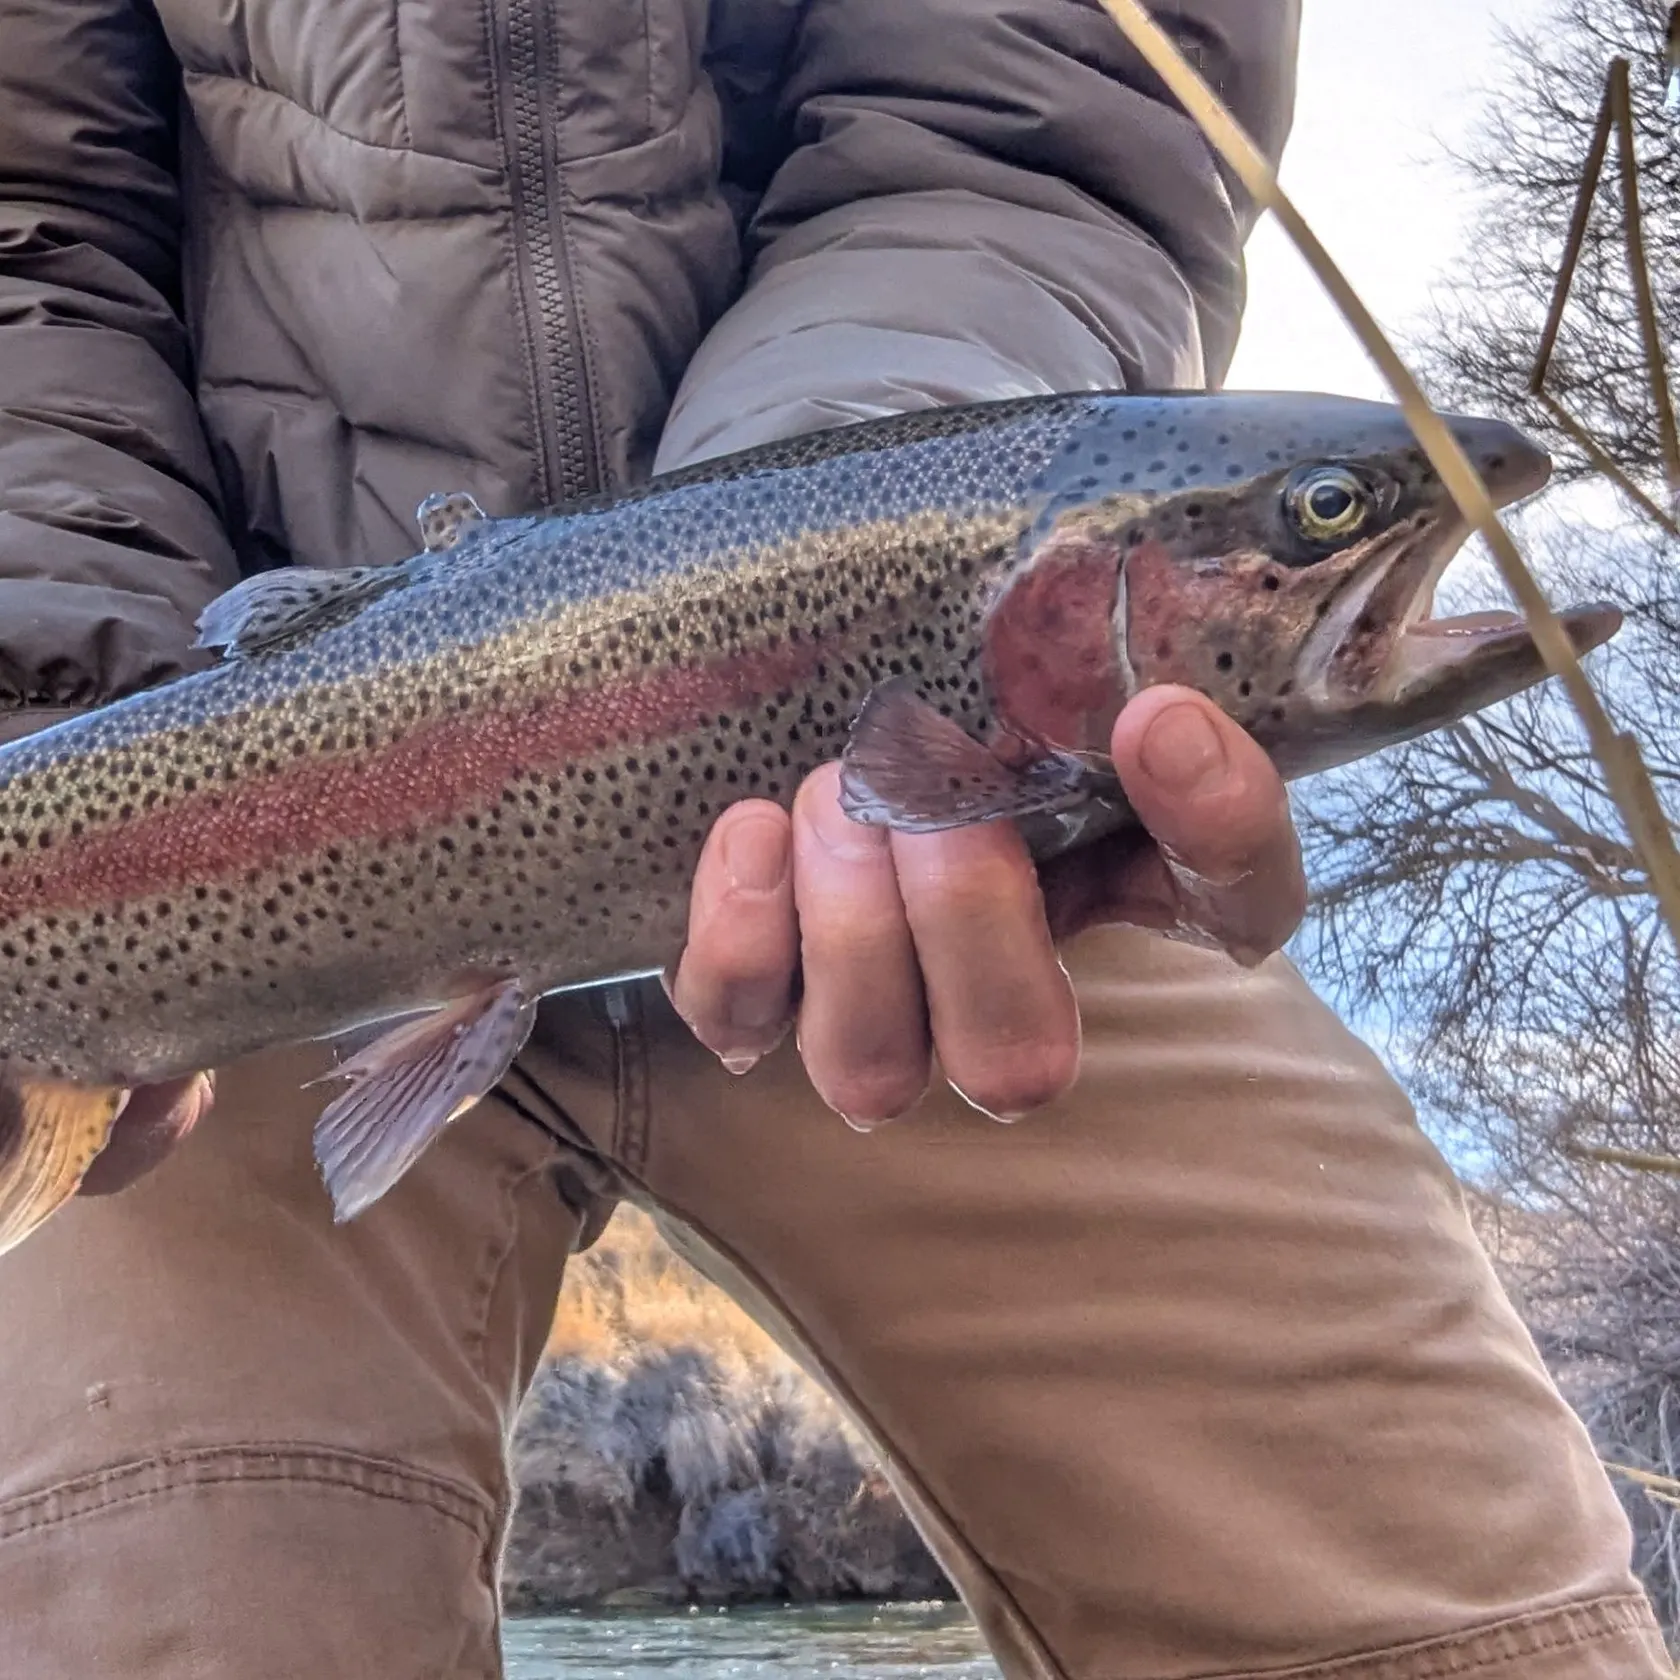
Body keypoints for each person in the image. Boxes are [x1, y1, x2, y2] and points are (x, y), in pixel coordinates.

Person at [0, 1, 1664, 1676]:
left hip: (992, 863)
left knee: (1454, 1616)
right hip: (191, 756)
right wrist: (51, 705)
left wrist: (838, 526)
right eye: (1318, 519)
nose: (1388, 531)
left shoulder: (997, 636)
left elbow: (1030, 133)